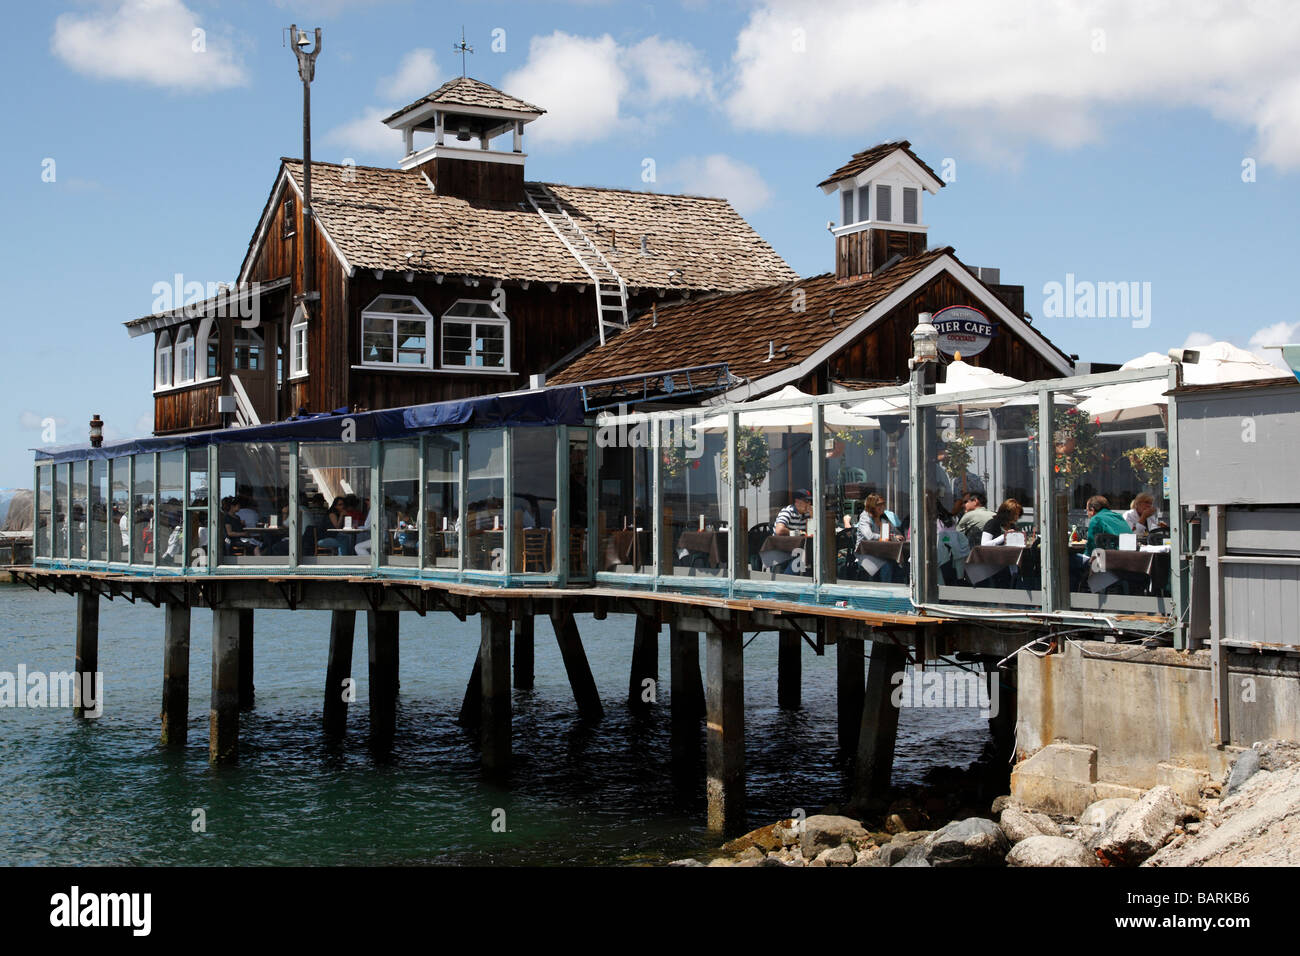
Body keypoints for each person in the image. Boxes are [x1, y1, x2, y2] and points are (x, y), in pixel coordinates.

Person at [1071, 494, 1134, 591]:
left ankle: (1073, 594)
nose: (1087, 514)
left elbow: (1091, 549)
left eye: (1087, 510)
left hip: (1106, 563)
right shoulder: (1119, 516)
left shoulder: (1096, 519)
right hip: (1126, 561)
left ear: (1092, 510)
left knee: (1070, 560)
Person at [855, 492, 900, 582]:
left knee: (897, 563)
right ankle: (884, 589)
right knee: (886, 565)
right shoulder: (865, 517)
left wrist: (897, 536)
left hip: (881, 552)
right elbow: (869, 536)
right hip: (866, 553)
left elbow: (894, 531)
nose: (883, 507)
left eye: (883, 504)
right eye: (879, 505)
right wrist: (888, 537)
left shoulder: (883, 517)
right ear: (871, 506)